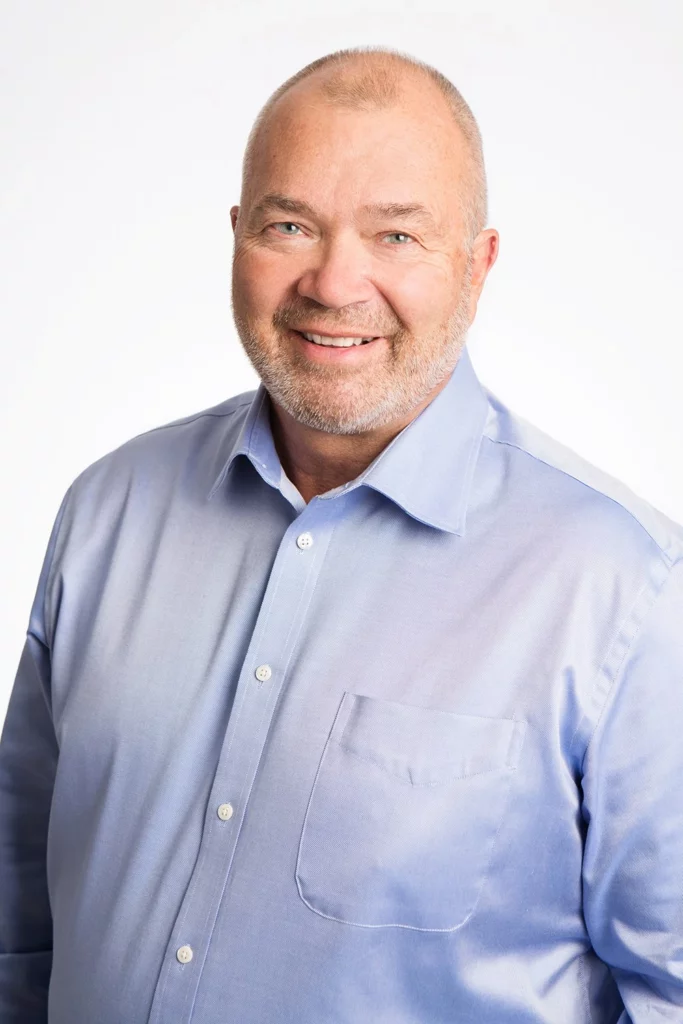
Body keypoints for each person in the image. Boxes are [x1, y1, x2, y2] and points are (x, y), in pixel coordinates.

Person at [1, 44, 682, 1024]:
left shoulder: (624, 588)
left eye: (395, 235)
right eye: (290, 225)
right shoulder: (106, 514)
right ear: (237, 234)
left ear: (476, 263)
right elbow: (20, 931)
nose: (333, 281)